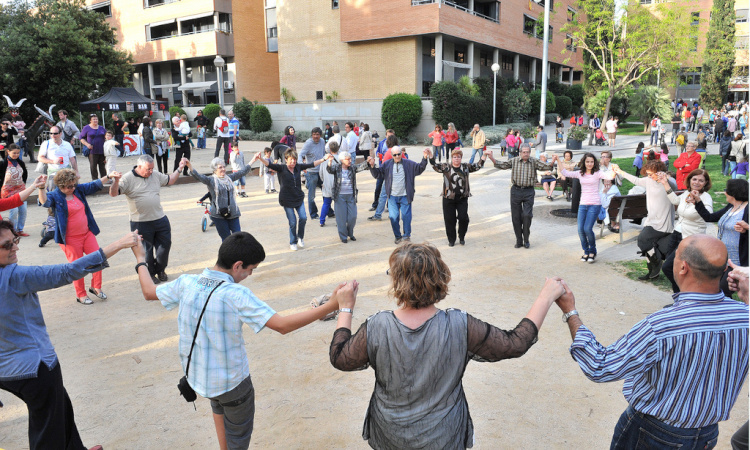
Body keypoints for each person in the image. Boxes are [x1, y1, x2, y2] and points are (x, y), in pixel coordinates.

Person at [329, 242, 566, 449]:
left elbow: (340, 357)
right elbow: (516, 343)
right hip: (443, 436)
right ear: (440, 277)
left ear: (397, 281)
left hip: (391, 433)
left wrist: (346, 307)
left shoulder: (377, 325)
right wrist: (545, 297)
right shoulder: (458, 324)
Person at [132, 231, 348, 450]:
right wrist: (331, 305)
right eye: (250, 269)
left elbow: (149, 291)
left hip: (203, 381)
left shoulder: (187, 282)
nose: (250, 275)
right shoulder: (236, 294)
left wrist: (141, 259)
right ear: (237, 266)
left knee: (219, 413)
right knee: (238, 438)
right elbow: (282, 325)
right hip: (232, 385)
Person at [555, 234, 749, 450]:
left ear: (683, 268)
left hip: (654, 434)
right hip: (707, 435)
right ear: (724, 271)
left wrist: (570, 312)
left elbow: (600, 366)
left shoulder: (661, 325)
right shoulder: (746, 317)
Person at [0, 223, 138, 450]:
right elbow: (67, 272)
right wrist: (118, 245)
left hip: (7, 371)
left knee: (60, 408)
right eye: (7, 245)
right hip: (34, 368)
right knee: (47, 429)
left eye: (15, 240)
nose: (15, 247)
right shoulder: (14, 276)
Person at [38, 168, 117, 305]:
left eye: (74, 184)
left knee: (99, 259)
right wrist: (41, 188)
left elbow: (93, 185)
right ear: (61, 185)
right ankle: (80, 294)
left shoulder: (78, 190)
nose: (72, 188)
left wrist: (109, 176)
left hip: (87, 233)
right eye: (69, 186)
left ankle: (96, 287)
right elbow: (44, 201)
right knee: (78, 267)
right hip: (69, 239)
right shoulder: (55, 196)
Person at [109, 154, 186, 283]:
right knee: (146, 251)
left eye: (152, 168)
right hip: (140, 222)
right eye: (148, 169)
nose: (150, 171)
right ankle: (150, 274)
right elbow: (113, 193)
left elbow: (170, 180)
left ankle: (160, 269)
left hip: (160, 219)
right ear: (139, 166)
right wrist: (116, 181)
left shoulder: (154, 174)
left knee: (164, 247)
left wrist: (180, 168)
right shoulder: (127, 178)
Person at [252, 148, 328, 251]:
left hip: (298, 198)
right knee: (292, 222)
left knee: (303, 218)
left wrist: (324, 159)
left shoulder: (298, 167)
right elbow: (269, 165)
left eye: (295, 159)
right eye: (291, 159)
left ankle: (300, 237)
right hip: (287, 200)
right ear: (286, 159)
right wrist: (260, 158)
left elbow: (312, 164)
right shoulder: (281, 168)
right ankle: (293, 242)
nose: (293, 162)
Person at [614, 160, 677, 280]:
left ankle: (656, 263)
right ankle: (653, 271)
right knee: (648, 244)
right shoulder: (648, 180)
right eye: (648, 174)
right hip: (651, 219)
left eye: (652, 174)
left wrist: (665, 180)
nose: (650, 176)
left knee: (643, 240)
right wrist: (620, 171)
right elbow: (636, 180)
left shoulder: (668, 181)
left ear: (660, 171)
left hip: (664, 221)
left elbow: (674, 186)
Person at [486, 143, 554, 249]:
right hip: (516, 191)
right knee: (516, 217)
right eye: (524, 152)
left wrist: (553, 161)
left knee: (527, 215)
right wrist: (492, 158)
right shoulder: (514, 160)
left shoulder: (533, 161)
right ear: (520, 152)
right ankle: (519, 240)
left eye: (527, 152)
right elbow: (503, 165)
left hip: (529, 192)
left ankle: (526, 239)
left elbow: (545, 166)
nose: (526, 154)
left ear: (530, 153)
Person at [692, 178, 748, 296]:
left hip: (738, 261)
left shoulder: (747, 209)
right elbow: (709, 217)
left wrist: (747, 228)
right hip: (723, 259)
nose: (724, 192)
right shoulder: (730, 207)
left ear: (733, 193)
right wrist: (697, 201)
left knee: (722, 290)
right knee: (716, 290)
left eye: (726, 190)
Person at [661, 169, 713, 292]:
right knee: (674, 270)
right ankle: (679, 300)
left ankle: (686, 295)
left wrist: (697, 203)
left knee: (669, 268)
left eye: (701, 180)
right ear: (689, 180)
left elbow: (709, 215)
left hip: (691, 239)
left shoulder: (705, 198)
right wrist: (665, 183)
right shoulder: (686, 193)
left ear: (705, 183)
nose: (697, 182)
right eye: (694, 179)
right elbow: (675, 201)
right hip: (677, 234)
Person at [559, 152, 615, 263]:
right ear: (584, 162)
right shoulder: (580, 173)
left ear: (594, 163)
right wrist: (557, 160)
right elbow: (564, 172)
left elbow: (610, 176)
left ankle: (592, 251)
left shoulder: (598, 173)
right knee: (580, 230)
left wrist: (615, 169)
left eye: (591, 162)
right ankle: (586, 251)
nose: (589, 164)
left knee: (587, 229)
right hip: (583, 205)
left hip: (594, 204)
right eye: (587, 161)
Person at [367, 146, 430, 244]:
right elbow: (378, 174)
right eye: (395, 155)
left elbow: (419, 168)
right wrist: (372, 166)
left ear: (402, 153)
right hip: (392, 196)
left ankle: (406, 236)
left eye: (399, 154)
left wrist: (425, 158)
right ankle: (397, 236)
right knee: (393, 217)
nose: (397, 156)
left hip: (405, 196)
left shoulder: (408, 163)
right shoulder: (387, 164)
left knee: (406, 217)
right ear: (391, 155)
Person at [185, 157, 253, 241]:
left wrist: (253, 159)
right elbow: (199, 177)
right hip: (219, 215)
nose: (223, 169)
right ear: (214, 170)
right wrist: (189, 165)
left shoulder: (229, 178)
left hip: (233, 212)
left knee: (238, 237)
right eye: (220, 167)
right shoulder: (211, 180)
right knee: (226, 240)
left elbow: (242, 172)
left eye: (224, 167)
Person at [430, 147, 486, 246]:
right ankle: (451, 240)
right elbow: (435, 166)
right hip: (448, 198)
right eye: (455, 157)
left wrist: (484, 156)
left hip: (462, 198)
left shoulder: (465, 167)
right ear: (452, 158)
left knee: (463, 218)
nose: (456, 159)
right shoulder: (446, 167)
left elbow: (477, 166)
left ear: (461, 158)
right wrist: (430, 155)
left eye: (458, 157)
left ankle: (462, 236)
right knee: (449, 220)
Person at [325, 150, 368, 243]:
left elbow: (360, 167)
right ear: (342, 160)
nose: (350, 161)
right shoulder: (336, 167)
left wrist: (368, 161)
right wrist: (330, 161)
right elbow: (329, 170)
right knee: (341, 218)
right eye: (348, 159)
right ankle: (343, 236)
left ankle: (350, 233)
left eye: (350, 159)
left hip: (351, 195)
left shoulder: (352, 167)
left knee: (352, 217)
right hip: (339, 196)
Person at [298, 127, 327, 220]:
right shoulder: (308, 143)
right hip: (311, 173)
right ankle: (313, 214)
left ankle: (328, 210)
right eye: (314, 134)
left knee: (326, 192)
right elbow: (300, 155)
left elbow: (325, 153)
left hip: (322, 172)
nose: (315, 136)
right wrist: (302, 167)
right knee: (311, 196)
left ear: (320, 135)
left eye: (317, 134)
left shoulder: (322, 141)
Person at [0, 144, 30, 236]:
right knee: (14, 211)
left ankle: (20, 230)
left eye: (18, 153)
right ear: (8, 152)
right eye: (14, 153)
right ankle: (12, 231)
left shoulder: (20, 162)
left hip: (20, 190)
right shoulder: (3, 163)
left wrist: (23, 183)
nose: (16, 155)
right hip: (8, 191)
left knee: (23, 211)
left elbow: (24, 173)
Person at [38, 125, 79, 190]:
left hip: (66, 173)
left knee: (70, 193)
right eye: (51, 133)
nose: (53, 135)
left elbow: (72, 159)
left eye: (55, 133)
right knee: (53, 194)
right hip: (53, 173)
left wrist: (76, 172)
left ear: (60, 133)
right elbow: (40, 158)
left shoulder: (67, 144)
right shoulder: (46, 143)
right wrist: (53, 161)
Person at [368, 129, 394, 217]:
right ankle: (377, 207)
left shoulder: (392, 150)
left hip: (387, 173)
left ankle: (380, 213)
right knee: (380, 189)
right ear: (386, 136)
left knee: (385, 194)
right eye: (388, 136)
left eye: (391, 136)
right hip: (385, 171)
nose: (389, 137)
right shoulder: (383, 144)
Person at [319, 140, 341, 227]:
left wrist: (323, 181)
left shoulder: (325, 158)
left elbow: (320, 172)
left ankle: (322, 221)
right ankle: (338, 221)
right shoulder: (341, 158)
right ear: (338, 148)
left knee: (326, 203)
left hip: (327, 183)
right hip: (337, 183)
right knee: (338, 204)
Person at [79, 114, 107, 181]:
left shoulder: (101, 128)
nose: (95, 120)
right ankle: (95, 180)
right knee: (93, 166)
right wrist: (87, 144)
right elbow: (81, 138)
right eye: (94, 119)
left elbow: (107, 136)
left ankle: (104, 179)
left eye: (96, 119)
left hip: (102, 150)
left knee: (102, 166)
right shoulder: (86, 128)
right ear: (90, 120)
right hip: (92, 150)